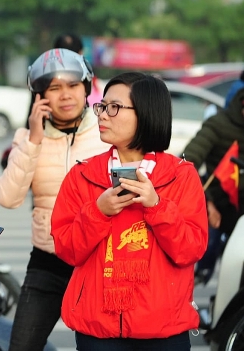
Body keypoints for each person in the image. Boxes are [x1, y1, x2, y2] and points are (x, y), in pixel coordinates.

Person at [51, 72, 207, 350]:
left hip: (164, 330)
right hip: (98, 329)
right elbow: (67, 249)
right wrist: (98, 211)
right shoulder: (82, 175)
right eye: (101, 106)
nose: (102, 115)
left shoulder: (181, 176)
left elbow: (190, 250)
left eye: (114, 107)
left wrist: (157, 207)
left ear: (146, 113)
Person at [0, 48, 109, 351]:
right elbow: (7, 198)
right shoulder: (27, 138)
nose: (66, 95)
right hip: (48, 258)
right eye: (54, 88)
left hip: (100, 261)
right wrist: (33, 140)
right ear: (40, 96)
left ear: (87, 87)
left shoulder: (106, 135)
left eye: (72, 85)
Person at [182, 86, 244, 283]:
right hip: (220, 207)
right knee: (206, 248)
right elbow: (186, 163)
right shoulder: (218, 124)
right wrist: (207, 203)